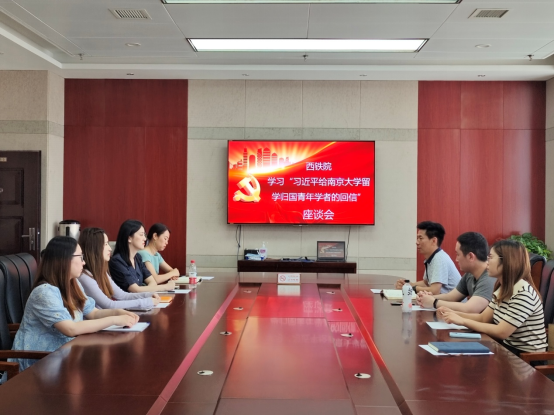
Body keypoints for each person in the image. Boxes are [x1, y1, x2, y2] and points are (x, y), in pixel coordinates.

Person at [6, 236, 139, 374]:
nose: (84, 262)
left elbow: (93, 313)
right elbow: (70, 329)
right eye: (80, 257)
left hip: (65, 357)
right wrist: (114, 320)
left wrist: (118, 312)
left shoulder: (73, 283)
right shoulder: (44, 292)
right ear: (64, 259)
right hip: (38, 365)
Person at [440, 240, 548, 355]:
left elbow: (501, 332)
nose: (487, 262)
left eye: (490, 257)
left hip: (525, 358)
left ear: (506, 261)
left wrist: (462, 321)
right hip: (507, 349)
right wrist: (452, 313)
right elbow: (483, 318)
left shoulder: (523, 293)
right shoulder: (503, 287)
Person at [78, 228, 160, 310]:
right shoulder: (85, 277)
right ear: (94, 248)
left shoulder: (102, 273)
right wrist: (146, 302)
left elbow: (123, 296)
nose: (110, 248)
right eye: (106, 244)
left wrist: (148, 295)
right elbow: (109, 305)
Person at [417, 232, 496, 313]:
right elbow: (451, 297)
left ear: (470, 256)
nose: (456, 259)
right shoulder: (470, 274)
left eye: (458, 254)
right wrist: (428, 298)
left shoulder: (489, 277)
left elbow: (469, 308)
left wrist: (434, 302)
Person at [109, 220, 175, 293]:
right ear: (129, 238)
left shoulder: (138, 258)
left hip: (142, 298)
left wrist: (148, 289)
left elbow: (152, 282)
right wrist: (165, 287)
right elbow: (135, 290)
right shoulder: (117, 261)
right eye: (141, 235)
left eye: (144, 235)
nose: (145, 239)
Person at [396, 221, 461, 295]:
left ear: (434, 241)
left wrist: (413, 288)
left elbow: (435, 291)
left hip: (452, 302)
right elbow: (426, 283)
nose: (417, 242)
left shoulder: (439, 258)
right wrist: (408, 284)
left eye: (420, 238)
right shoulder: (432, 257)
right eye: (417, 238)